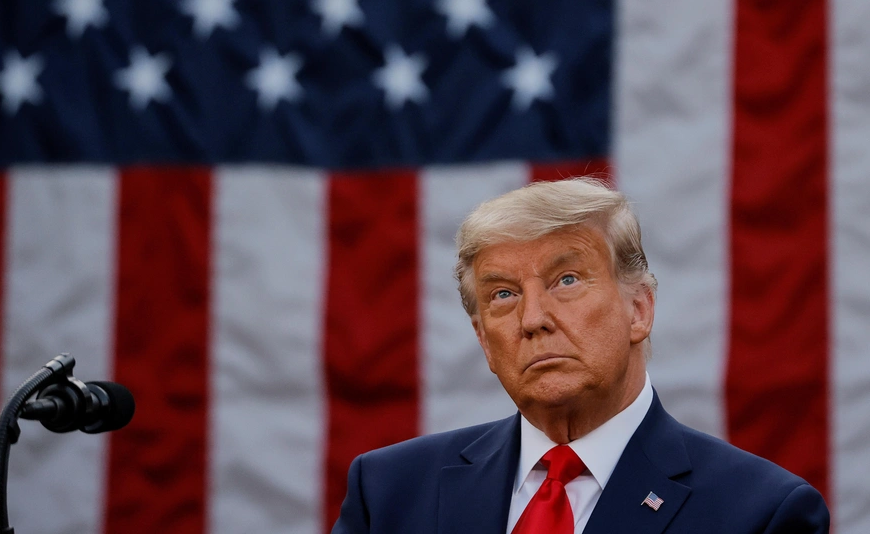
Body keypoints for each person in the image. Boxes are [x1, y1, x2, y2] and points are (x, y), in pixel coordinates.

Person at [331, 177, 829, 534]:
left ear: (639, 310)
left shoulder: (762, 513)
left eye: (566, 281)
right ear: (484, 340)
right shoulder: (389, 494)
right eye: (503, 294)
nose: (532, 319)